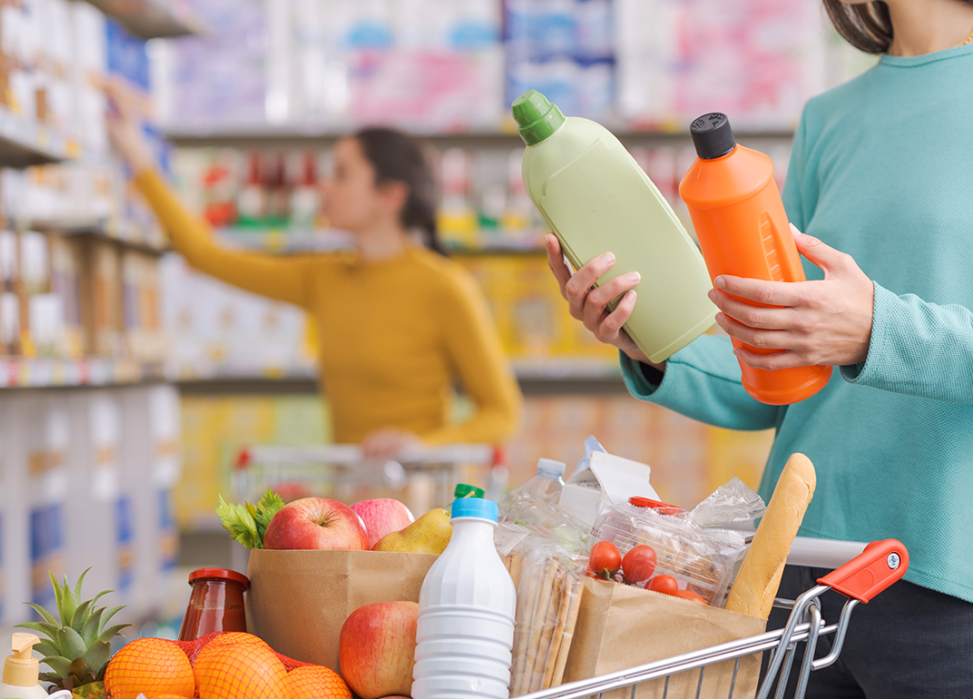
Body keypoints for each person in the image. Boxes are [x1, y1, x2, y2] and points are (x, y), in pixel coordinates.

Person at [546, 0, 973, 695]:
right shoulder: (830, 120)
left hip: (947, 578)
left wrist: (876, 330)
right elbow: (779, 369)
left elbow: (858, 332)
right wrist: (650, 340)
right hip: (796, 572)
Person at [106, 94, 522, 459]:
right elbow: (208, 255)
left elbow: (502, 413)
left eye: (341, 174)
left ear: (389, 196)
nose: (323, 186)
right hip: (345, 495)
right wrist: (138, 159)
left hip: (420, 495)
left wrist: (424, 447)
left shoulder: (445, 287)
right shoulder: (323, 277)